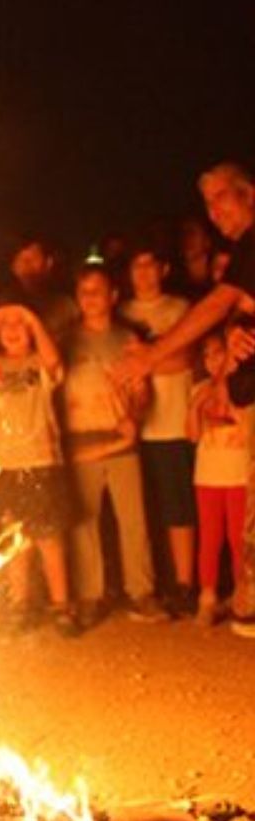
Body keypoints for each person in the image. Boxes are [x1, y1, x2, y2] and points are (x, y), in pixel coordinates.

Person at [0, 304, 79, 636]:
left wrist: (33, 319)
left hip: (40, 460)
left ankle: (61, 605)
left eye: (20, 326)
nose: (13, 329)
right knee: (16, 539)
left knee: (49, 538)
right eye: (6, 325)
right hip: (4, 465)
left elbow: (54, 363)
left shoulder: (40, 363)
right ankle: (20, 605)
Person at [61, 265, 165, 624]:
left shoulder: (127, 340)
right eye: (84, 291)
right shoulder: (66, 341)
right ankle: (90, 594)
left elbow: (141, 390)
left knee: (133, 519)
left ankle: (142, 592)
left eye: (97, 290)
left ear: (113, 296)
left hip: (121, 440)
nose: (90, 298)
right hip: (81, 440)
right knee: (84, 521)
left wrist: (133, 417)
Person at [119, 163, 255, 406]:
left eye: (221, 197)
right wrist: (234, 332)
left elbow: (219, 303)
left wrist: (151, 355)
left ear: (248, 194)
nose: (214, 212)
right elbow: (241, 306)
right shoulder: (245, 250)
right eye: (208, 204)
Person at [119, 245, 196, 615]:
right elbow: (118, 365)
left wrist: (146, 359)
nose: (145, 272)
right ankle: (154, 582)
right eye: (138, 265)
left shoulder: (179, 309)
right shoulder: (122, 313)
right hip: (136, 425)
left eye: (151, 264)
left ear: (164, 268)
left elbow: (187, 357)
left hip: (175, 420)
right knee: (144, 509)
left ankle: (185, 583)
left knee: (180, 505)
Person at [186, 329, 251, 627]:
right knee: (210, 538)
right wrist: (196, 406)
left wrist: (232, 407)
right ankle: (207, 597)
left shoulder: (246, 388)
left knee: (240, 539)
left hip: (239, 476)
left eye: (219, 353)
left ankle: (242, 596)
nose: (214, 360)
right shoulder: (198, 388)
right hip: (208, 477)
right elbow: (191, 435)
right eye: (208, 355)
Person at [5, 235, 78, 346]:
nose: (26, 263)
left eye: (33, 258)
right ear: (13, 267)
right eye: (21, 259)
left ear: (48, 263)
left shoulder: (66, 307)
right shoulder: (5, 306)